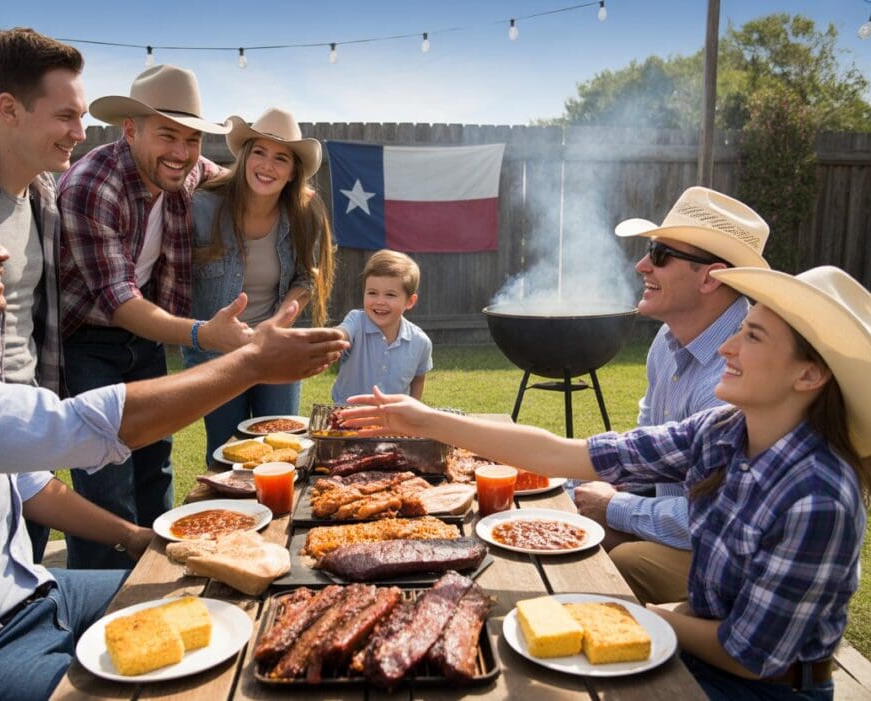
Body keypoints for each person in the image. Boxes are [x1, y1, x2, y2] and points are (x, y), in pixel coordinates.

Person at [0, 145, 347, 700]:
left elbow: (30, 484)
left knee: (229, 603)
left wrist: (138, 538)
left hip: (39, 596)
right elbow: (70, 428)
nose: (1, 254)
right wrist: (251, 362)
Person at [341, 264, 871, 700]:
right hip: (704, 642)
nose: (727, 349)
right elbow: (569, 454)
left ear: (809, 375)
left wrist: (610, 609)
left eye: (751, 335)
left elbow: (749, 656)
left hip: (763, 689)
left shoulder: (818, 497)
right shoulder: (723, 432)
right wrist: (424, 420)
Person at [0, 27, 152, 563]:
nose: (80, 131)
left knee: (29, 580)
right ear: (8, 108)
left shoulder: (43, 192)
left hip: (28, 431)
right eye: (65, 116)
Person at [58, 64, 247, 569]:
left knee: (154, 465)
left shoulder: (185, 170)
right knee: (104, 478)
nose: (182, 153)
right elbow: (120, 302)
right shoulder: (92, 185)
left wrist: (288, 193)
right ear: (130, 129)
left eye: (191, 139)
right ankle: (101, 606)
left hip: (141, 342)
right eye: (168, 135)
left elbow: (228, 178)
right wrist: (203, 333)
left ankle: (156, 580)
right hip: (86, 341)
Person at [571, 186, 770, 604]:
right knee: (569, 527)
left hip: (732, 554)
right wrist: (570, 480)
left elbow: (716, 518)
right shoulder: (667, 340)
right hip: (681, 522)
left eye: (660, 255)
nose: (642, 265)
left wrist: (614, 506)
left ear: (709, 277)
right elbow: (648, 450)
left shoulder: (743, 371)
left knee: (625, 561)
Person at [181, 107, 335, 461]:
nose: (267, 166)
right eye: (259, 152)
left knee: (283, 448)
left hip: (275, 348)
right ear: (245, 155)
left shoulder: (303, 212)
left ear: (294, 170)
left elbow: (305, 277)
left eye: (280, 158)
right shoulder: (202, 206)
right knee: (226, 454)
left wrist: (276, 323)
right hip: (216, 354)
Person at [330, 249, 432, 405]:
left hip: (393, 422)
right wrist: (331, 339)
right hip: (347, 419)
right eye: (372, 293)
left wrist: (412, 409)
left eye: (390, 295)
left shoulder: (420, 342)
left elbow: (418, 380)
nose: (380, 301)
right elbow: (341, 333)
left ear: (410, 301)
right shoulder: (356, 321)